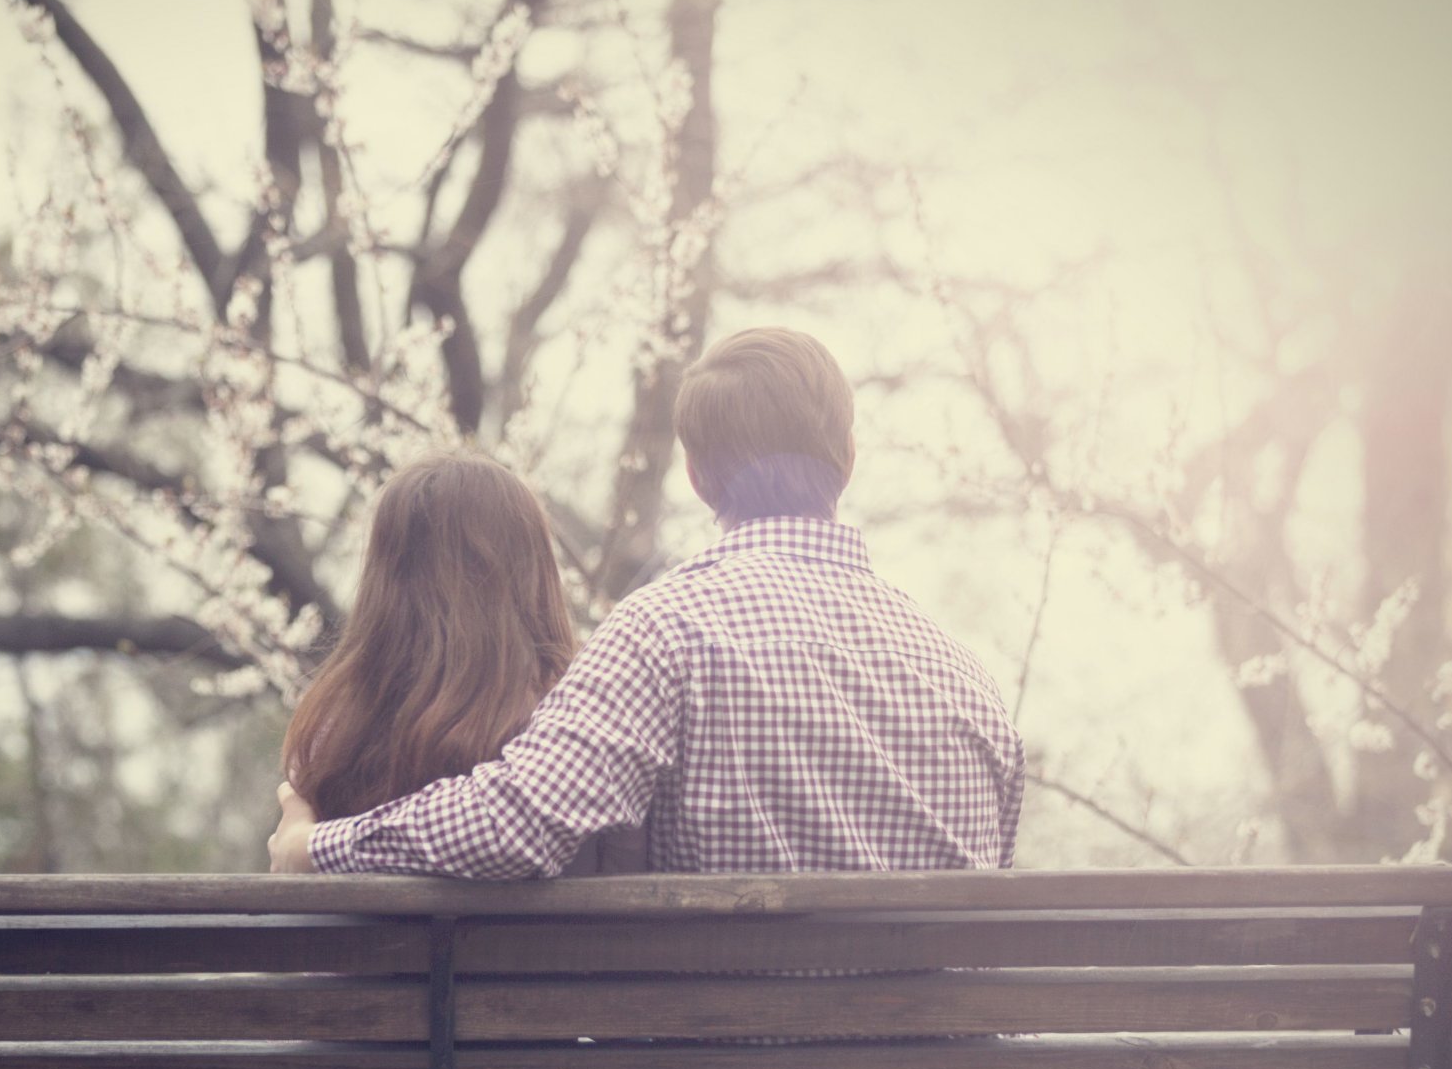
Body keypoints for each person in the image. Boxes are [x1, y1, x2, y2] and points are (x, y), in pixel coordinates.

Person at [270, 326, 1024, 878]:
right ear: (848, 463)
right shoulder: (968, 677)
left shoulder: (667, 631)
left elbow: (517, 821)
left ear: (696, 476)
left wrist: (318, 846)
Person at [278, 450, 643, 880]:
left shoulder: (331, 729)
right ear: (532, 571)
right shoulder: (575, 718)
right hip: (556, 949)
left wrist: (310, 846)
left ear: (384, 576)